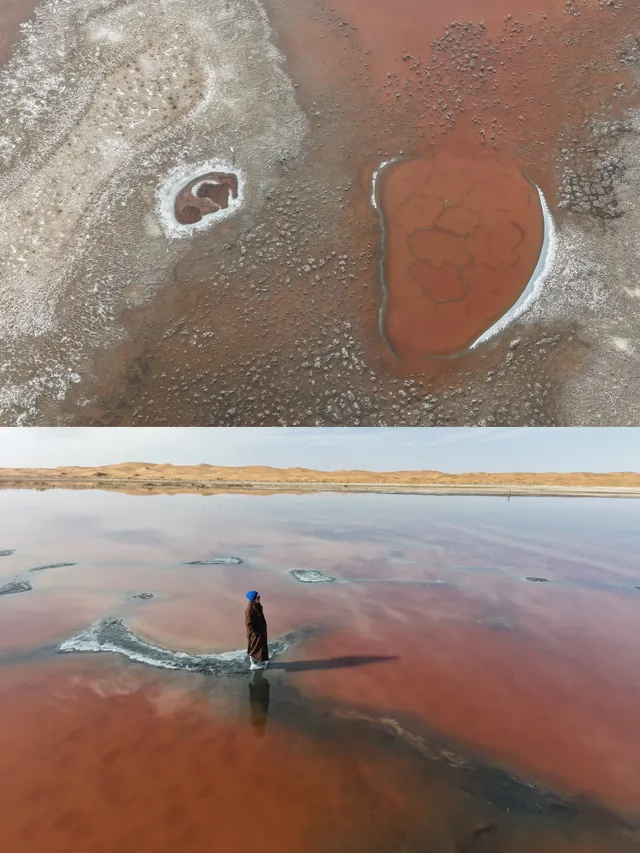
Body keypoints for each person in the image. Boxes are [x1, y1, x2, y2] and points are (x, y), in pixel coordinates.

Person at [245, 590, 269, 670]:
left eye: (259, 597)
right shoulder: (250, 610)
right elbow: (248, 624)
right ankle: (254, 664)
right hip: (255, 635)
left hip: (260, 632)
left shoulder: (257, 606)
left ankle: (263, 661)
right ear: (253, 599)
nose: (259, 598)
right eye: (258, 597)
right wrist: (256, 633)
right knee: (255, 649)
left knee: (262, 647)